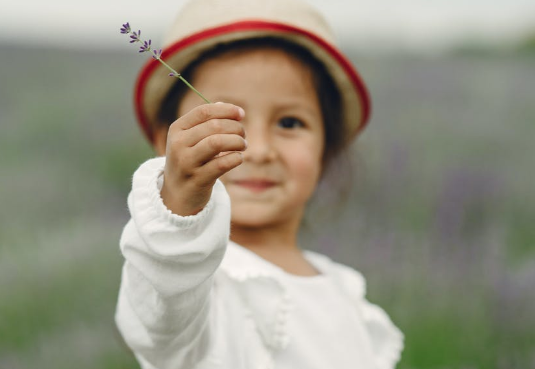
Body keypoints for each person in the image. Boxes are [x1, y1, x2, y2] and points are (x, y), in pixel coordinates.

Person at [115, 0, 404, 368]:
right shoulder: (194, 279)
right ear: (167, 144)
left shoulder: (344, 292)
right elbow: (157, 319)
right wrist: (178, 206)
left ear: (325, 147)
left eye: (289, 123)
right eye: (224, 123)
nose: (260, 150)